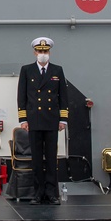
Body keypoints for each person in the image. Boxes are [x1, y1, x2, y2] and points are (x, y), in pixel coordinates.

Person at [18, 37, 69, 205]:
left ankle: (52, 193)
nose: (42, 54)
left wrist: (63, 119)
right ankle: (38, 193)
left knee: (51, 158)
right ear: (34, 52)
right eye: (40, 51)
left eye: (45, 51)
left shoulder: (57, 70)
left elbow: (63, 96)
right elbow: (22, 96)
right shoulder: (27, 70)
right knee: (37, 159)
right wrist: (23, 119)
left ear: (49, 52)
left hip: (52, 120)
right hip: (34, 120)